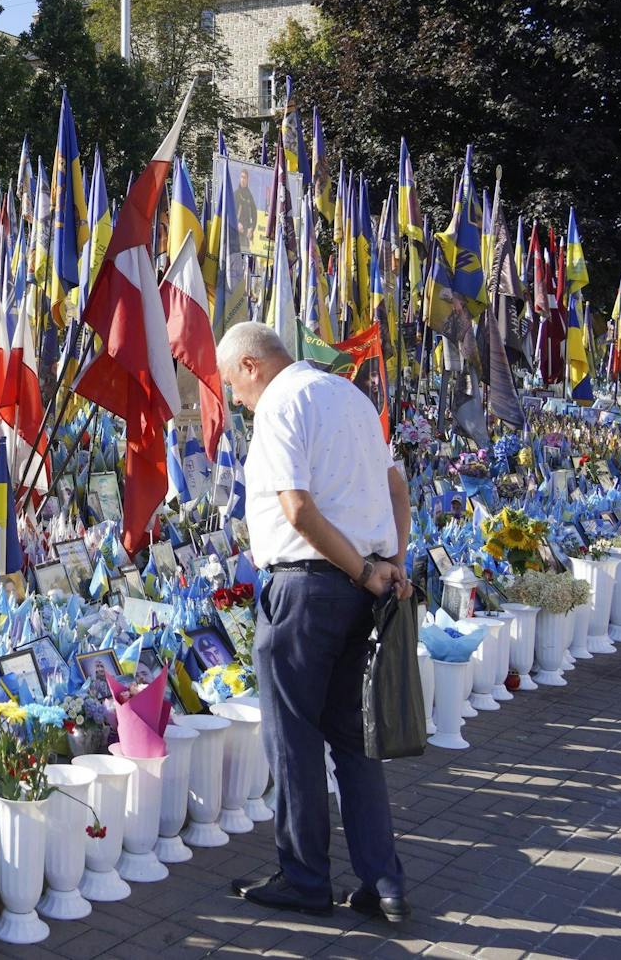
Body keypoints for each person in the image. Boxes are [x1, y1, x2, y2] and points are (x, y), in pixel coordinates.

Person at [218, 321, 413, 923]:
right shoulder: (347, 394)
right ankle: (384, 882)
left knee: (294, 737)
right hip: (363, 584)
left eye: (233, 386)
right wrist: (389, 567)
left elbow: (296, 509)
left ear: (251, 366)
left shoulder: (281, 403)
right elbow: (396, 484)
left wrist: (359, 569)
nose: (236, 401)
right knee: (354, 741)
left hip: (308, 587)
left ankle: (304, 877)